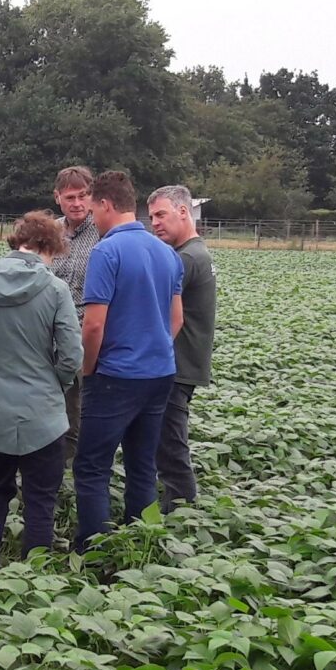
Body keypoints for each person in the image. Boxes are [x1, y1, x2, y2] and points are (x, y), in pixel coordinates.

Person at [0, 211, 80, 570]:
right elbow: (71, 355)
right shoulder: (56, 290)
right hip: (44, 413)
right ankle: (33, 572)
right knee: (40, 496)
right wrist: (57, 384)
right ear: (47, 246)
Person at [71, 170, 183, 552]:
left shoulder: (107, 251)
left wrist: (89, 369)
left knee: (92, 467)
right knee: (142, 465)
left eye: (92, 210)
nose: (92, 219)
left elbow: (93, 324)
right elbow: (177, 317)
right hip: (160, 373)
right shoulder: (167, 252)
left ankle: (95, 549)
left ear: (104, 205)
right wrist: (153, 347)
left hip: (116, 374)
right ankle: (141, 541)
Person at [146, 183, 216, 507]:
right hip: (184, 363)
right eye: (151, 217)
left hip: (176, 365)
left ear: (183, 212)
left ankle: (181, 513)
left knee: (171, 447)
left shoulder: (186, 258)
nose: (155, 223)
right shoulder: (195, 253)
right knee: (165, 442)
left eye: (161, 214)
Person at [49, 166, 101, 461]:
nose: (78, 203)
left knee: (79, 409)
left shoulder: (102, 233)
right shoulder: (51, 232)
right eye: (70, 197)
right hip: (48, 336)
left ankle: (74, 468)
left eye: (83, 196)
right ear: (58, 198)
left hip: (86, 334)